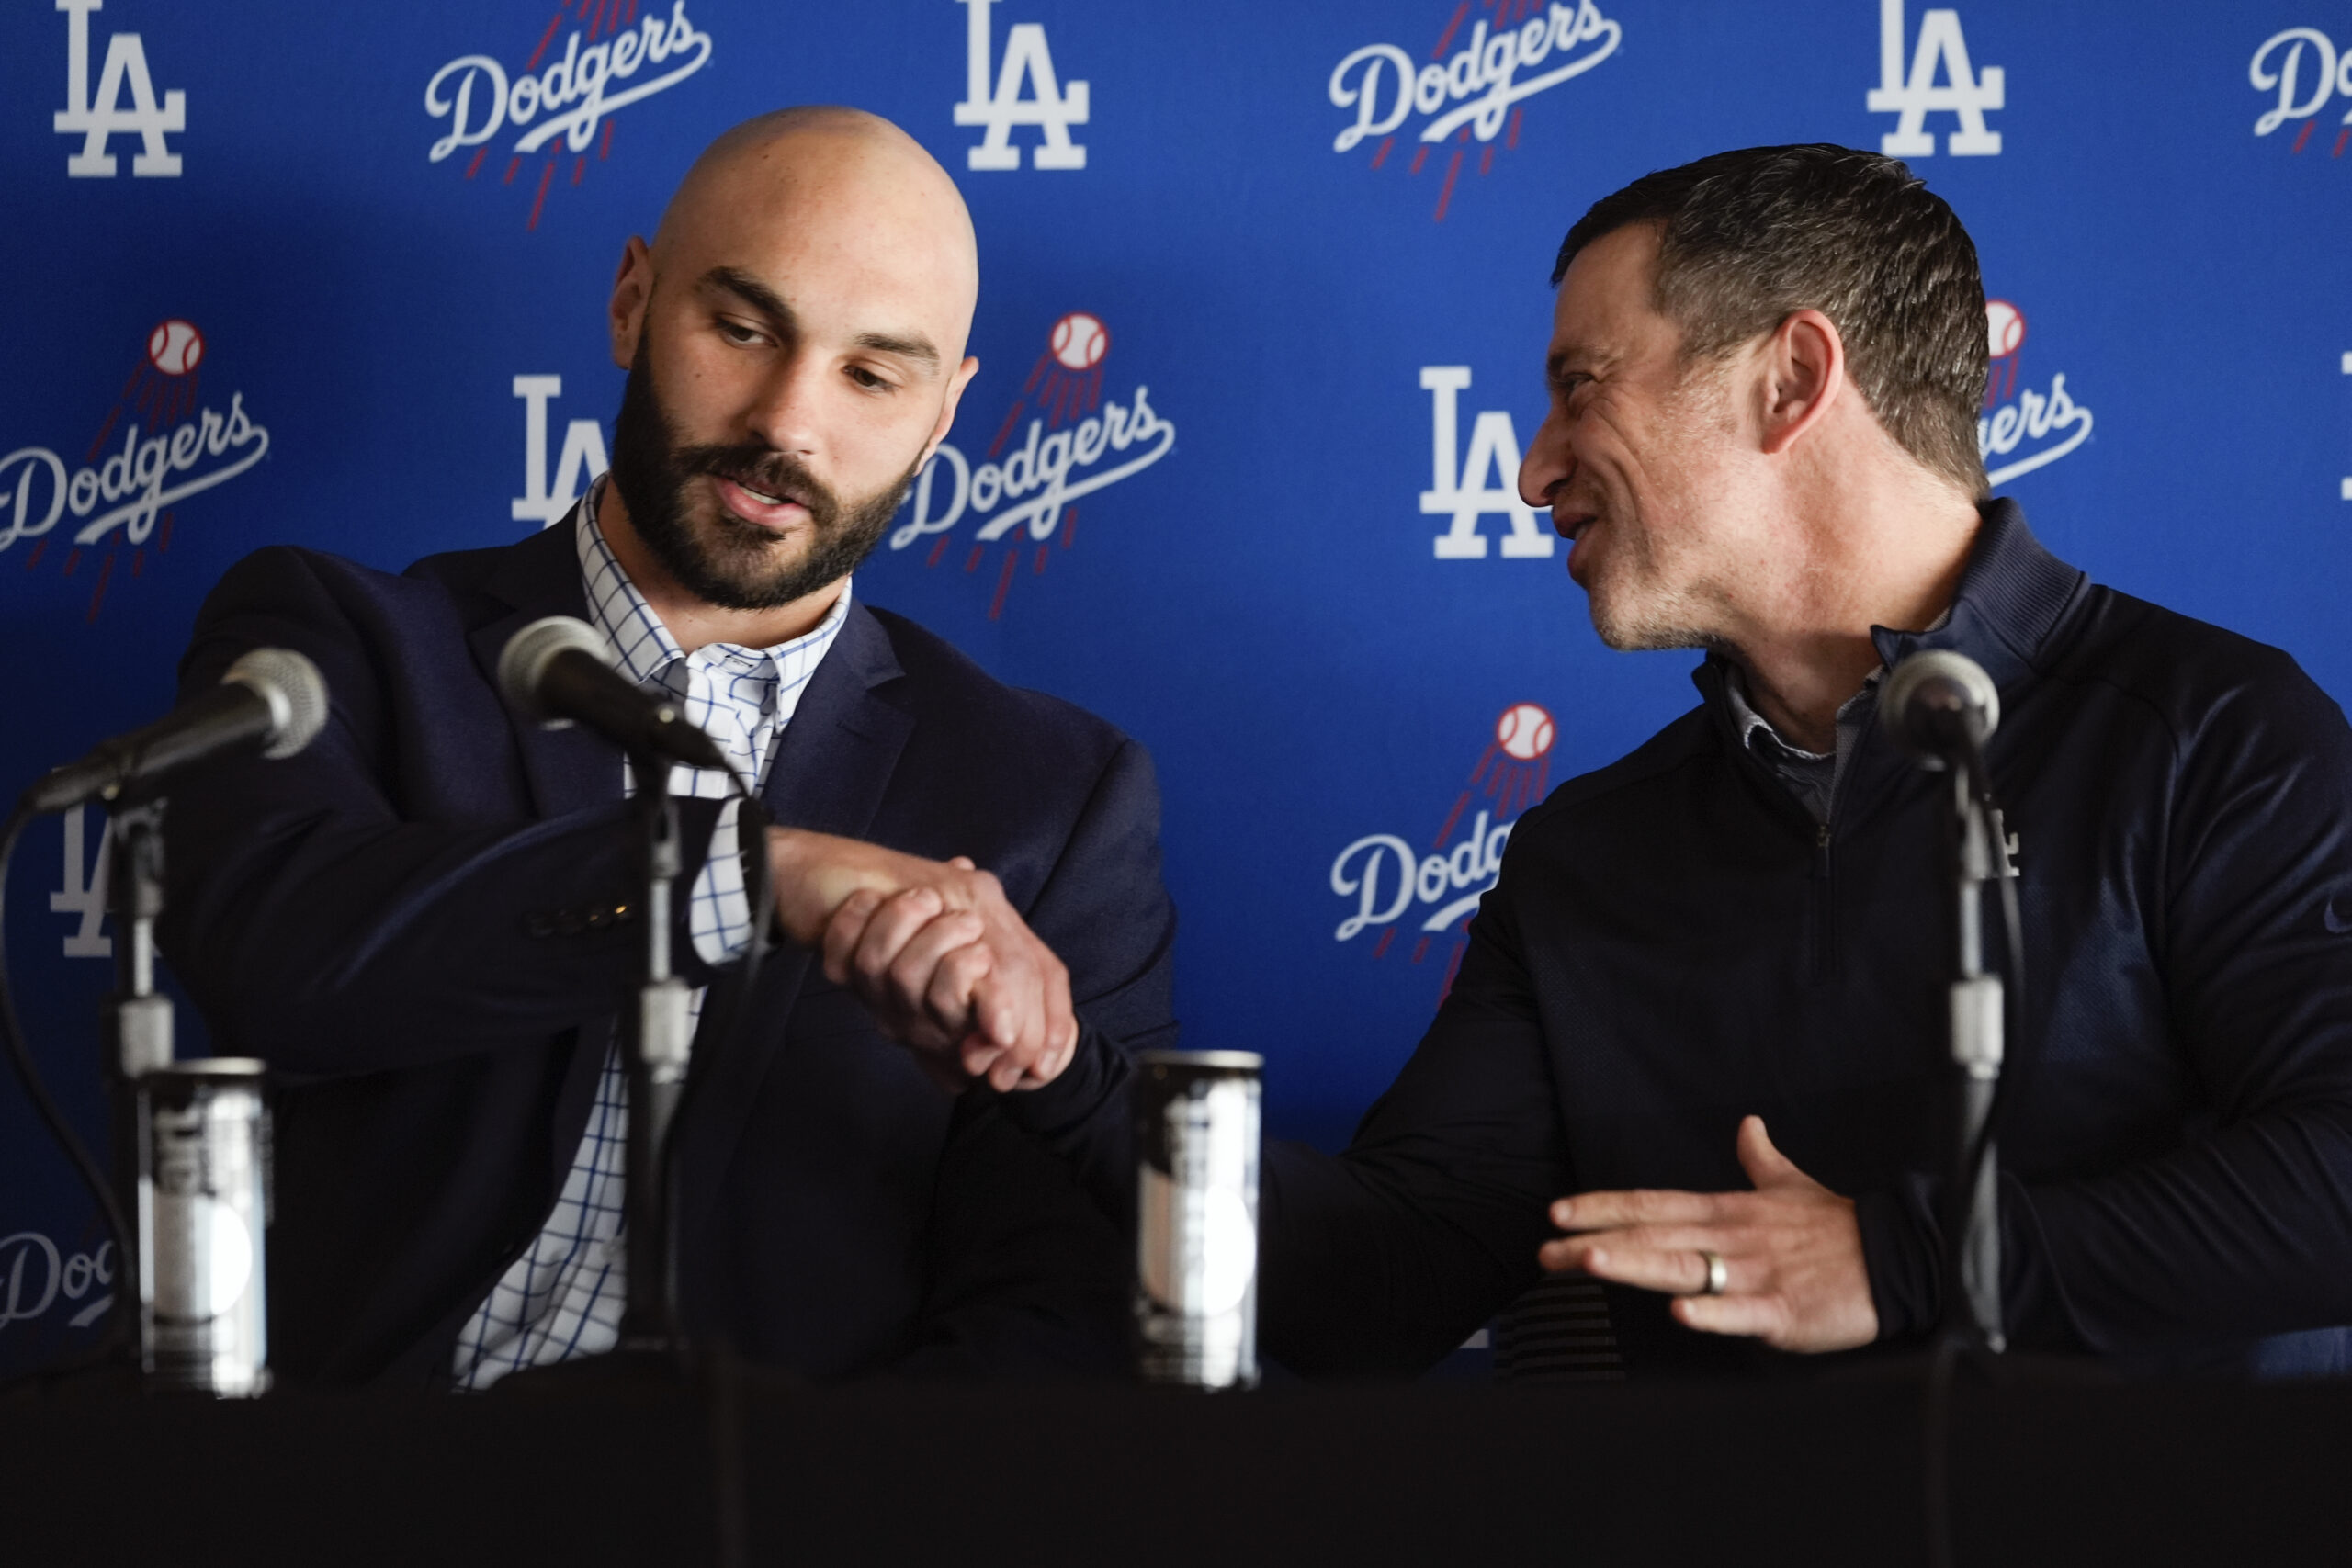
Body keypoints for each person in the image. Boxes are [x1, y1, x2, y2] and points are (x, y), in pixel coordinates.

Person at [1003, 143, 2352, 1378]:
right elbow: (1380, 1280)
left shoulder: (2212, 734)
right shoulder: (1588, 855)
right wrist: (1058, 1067)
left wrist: (1901, 1260)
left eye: (1581, 386)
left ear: (1791, 380)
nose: (1533, 474)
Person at [157, 107, 1174, 1387]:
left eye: (872, 376)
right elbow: (274, 954)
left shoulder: (1054, 799)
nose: (786, 423)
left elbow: (1055, 1303)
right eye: (744, 330)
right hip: (355, 1482)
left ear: (945, 413)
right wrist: (758, 875)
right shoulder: (341, 639)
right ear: (633, 301)